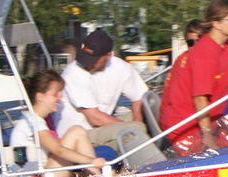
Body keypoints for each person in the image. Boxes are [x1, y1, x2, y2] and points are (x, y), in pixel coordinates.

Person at [159, 0, 228, 156]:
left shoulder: (222, 48)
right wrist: (208, 136)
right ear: (216, 24)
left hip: (209, 123)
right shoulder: (204, 53)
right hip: (188, 128)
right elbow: (200, 99)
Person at [55, 30, 162, 168]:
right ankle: (152, 168)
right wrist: (137, 130)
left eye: (93, 60)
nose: (88, 64)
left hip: (99, 128)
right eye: (85, 58)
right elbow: (95, 118)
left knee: (146, 117)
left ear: (108, 55)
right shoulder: (73, 73)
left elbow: (138, 98)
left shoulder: (119, 67)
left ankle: (163, 156)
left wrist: (139, 124)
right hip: (80, 135)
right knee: (135, 128)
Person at [10, 69, 106, 177]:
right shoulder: (32, 121)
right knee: (77, 132)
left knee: (77, 133)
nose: (60, 97)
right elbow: (58, 151)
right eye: (56, 94)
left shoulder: (37, 120)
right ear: (40, 97)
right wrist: (92, 161)